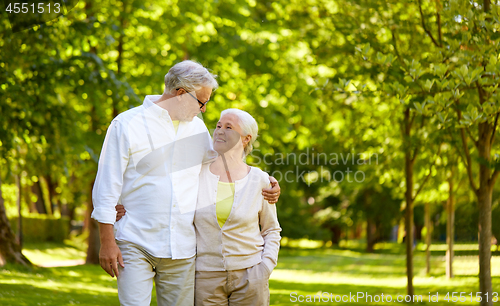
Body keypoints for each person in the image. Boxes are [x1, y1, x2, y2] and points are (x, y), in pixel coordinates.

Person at [91, 60, 281, 306]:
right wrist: (107, 241)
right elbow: (106, 187)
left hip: (182, 248)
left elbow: (225, 164)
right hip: (135, 240)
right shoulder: (126, 125)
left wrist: (265, 180)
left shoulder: (197, 130)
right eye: (201, 102)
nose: (203, 110)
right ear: (180, 94)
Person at [194, 109, 281, 306]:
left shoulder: (260, 180)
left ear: (245, 139)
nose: (219, 131)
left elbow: (271, 229)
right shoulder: (197, 175)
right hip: (206, 277)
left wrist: (265, 267)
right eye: (218, 126)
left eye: (228, 127)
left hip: (251, 275)